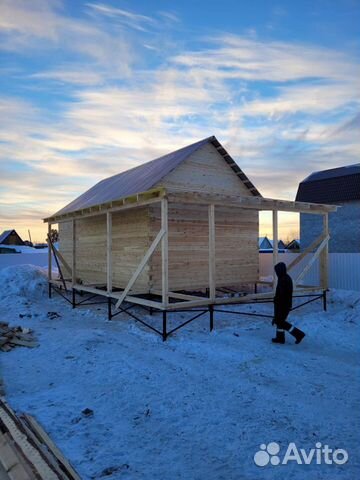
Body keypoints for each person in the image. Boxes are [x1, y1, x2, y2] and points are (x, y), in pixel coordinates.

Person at [272, 262, 305, 344]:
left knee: (280, 321)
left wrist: (277, 299)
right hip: (282, 304)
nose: (276, 273)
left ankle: (299, 334)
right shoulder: (283, 277)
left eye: (277, 271)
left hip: (283, 305)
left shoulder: (284, 279)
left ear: (280, 270)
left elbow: (282, 294)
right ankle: (280, 338)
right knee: (279, 321)